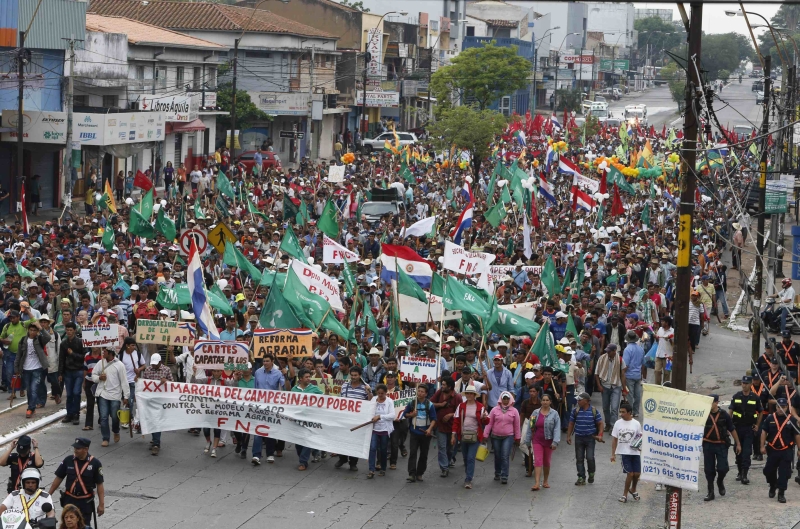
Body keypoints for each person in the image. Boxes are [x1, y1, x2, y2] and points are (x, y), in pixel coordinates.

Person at [49, 437, 104, 523]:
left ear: (86, 449)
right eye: (74, 448)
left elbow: (99, 484)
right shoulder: (68, 460)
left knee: (84, 526)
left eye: (78, 448)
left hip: (85, 502)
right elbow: (58, 478)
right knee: (68, 524)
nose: (75, 450)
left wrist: (101, 504)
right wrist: (48, 495)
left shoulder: (95, 463)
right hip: (69, 500)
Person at [760, 397, 800, 503]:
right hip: (773, 449)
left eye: (783, 407)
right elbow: (764, 432)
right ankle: (773, 485)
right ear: (776, 407)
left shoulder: (792, 420)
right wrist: (762, 446)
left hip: (786, 450)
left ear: (787, 407)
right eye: (779, 407)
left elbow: (797, 435)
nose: (781, 409)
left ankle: (781, 493)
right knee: (768, 470)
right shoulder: (770, 418)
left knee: (784, 473)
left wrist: (799, 449)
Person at [702, 394, 741, 501]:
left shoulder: (724, 415)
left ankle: (720, 481)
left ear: (716, 402)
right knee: (709, 469)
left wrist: (738, 444)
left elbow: (732, 429)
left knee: (723, 468)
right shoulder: (703, 414)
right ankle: (710, 491)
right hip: (708, 444)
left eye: (711, 402)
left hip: (721, 445)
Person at [251, 354, 287, 466]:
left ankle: (270, 454)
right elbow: (255, 388)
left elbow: (285, 388)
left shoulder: (278, 373)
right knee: (258, 430)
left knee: (269, 430)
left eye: (267, 361)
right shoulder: (257, 372)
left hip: (272, 406)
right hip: (260, 405)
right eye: (264, 361)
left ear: (272, 362)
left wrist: (285, 376)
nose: (265, 363)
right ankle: (256, 455)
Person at [90, 348, 130, 447]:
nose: (103, 353)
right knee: (103, 417)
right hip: (103, 394)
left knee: (115, 417)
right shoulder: (100, 363)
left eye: (105, 351)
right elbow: (93, 375)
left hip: (115, 395)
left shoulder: (120, 365)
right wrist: (99, 378)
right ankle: (105, 438)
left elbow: (124, 381)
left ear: (111, 353)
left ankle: (116, 431)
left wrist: (126, 396)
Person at [729, 375, 763, 485]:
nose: (744, 385)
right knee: (738, 451)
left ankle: (744, 474)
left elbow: (761, 411)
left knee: (746, 452)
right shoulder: (736, 396)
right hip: (737, 428)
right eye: (743, 383)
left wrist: (757, 424)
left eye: (746, 383)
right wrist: (729, 426)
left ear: (750, 385)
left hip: (749, 428)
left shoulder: (755, 397)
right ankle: (739, 471)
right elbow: (730, 410)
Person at [451, 385, 487, 489]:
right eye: (467, 393)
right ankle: (468, 473)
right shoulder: (461, 406)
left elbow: (487, 420)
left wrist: (484, 418)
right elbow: (456, 421)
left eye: (471, 393)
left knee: (471, 458)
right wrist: (453, 435)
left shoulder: (480, 407)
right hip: (463, 435)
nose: (469, 395)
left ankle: (468, 479)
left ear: (475, 395)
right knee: (466, 457)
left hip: (475, 436)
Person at [337, 366, 372, 472]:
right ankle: (342, 458)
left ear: (360, 375)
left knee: (355, 441)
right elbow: (340, 400)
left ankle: (353, 463)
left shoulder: (365, 387)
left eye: (355, 375)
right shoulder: (345, 385)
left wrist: (369, 392)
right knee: (342, 439)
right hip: (345, 418)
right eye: (352, 375)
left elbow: (371, 402)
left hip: (357, 420)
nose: (353, 377)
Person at [524, 393, 560, 491]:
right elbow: (530, 427)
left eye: (547, 400)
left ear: (550, 402)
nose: (545, 402)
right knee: (538, 460)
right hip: (537, 440)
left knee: (547, 461)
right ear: (541, 402)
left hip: (548, 441)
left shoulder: (555, 414)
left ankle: (545, 481)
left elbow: (557, 429)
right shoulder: (535, 413)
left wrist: (555, 442)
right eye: (543, 400)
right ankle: (536, 483)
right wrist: (527, 441)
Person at [14, 320, 49, 419]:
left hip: (37, 369)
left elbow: (48, 337)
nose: (32, 332)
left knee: (34, 389)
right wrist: (16, 368)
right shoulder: (23, 340)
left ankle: (30, 408)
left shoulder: (39, 339)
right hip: (26, 369)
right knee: (29, 390)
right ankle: (32, 408)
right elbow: (18, 355)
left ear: (37, 331)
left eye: (34, 330)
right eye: (31, 330)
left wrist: (41, 328)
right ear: (28, 330)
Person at [566, 392, 604, 486]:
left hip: (590, 438)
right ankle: (581, 477)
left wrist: (600, 435)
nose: (578, 401)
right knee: (579, 458)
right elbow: (571, 423)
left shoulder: (594, 411)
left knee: (590, 457)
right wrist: (568, 436)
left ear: (586, 401)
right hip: (579, 437)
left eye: (580, 400)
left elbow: (600, 424)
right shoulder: (575, 411)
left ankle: (591, 473)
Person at [483, 391, 520, 484]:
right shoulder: (494, 410)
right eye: (504, 398)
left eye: (507, 398)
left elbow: (517, 425)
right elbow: (489, 423)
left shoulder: (514, 411)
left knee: (504, 455)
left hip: (508, 436)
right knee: (497, 455)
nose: (506, 400)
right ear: (501, 399)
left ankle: (504, 475)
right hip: (495, 436)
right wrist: (485, 435)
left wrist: (517, 437)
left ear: (510, 399)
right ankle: (497, 472)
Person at [140, 353, 173, 456]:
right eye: (152, 364)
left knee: (157, 420)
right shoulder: (148, 370)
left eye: (155, 364)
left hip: (161, 400)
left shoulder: (166, 370)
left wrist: (166, 381)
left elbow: (173, 384)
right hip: (150, 399)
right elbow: (144, 383)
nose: (153, 366)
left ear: (160, 362)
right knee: (152, 419)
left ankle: (156, 444)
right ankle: (155, 439)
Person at [291, 368, 324, 471]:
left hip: (310, 420)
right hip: (296, 420)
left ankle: (303, 462)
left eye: (309, 376)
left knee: (307, 440)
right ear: (300, 379)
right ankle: (315, 452)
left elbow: (325, 400)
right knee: (298, 442)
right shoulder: (294, 390)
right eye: (306, 377)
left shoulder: (315, 389)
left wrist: (327, 391)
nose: (309, 378)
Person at [403, 385, 437, 483]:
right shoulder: (412, 403)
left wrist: (430, 429)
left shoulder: (430, 405)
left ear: (426, 394)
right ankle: (412, 474)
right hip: (414, 432)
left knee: (424, 454)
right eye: (419, 391)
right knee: (413, 453)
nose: (420, 393)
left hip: (425, 433)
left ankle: (420, 473)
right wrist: (411, 415)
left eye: (422, 392)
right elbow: (404, 414)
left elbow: (434, 419)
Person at [610, 401, 643, 503]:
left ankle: (633, 489)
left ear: (629, 412)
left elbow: (639, 436)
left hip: (635, 452)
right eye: (620, 412)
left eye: (623, 412)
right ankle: (624, 494)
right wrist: (613, 454)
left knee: (637, 474)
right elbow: (614, 439)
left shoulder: (636, 423)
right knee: (630, 474)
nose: (621, 414)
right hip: (624, 452)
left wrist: (640, 447)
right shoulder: (618, 423)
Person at [431, 377, 460, 477]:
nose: (442, 386)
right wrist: (440, 404)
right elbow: (430, 404)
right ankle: (444, 467)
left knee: (450, 448)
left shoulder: (457, 397)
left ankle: (447, 462)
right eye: (442, 384)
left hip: (452, 427)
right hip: (440, 425)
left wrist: (450, 415)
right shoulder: (439, 393)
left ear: (450, 387)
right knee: (442, 447)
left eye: (444, 385)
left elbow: (460, 411)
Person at [595, 344, 627, 430]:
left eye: (609, 351)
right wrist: (599, 385)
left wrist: (624, 389)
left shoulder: (620, 360)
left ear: (614, 351)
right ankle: (608, 424)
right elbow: (596, 373)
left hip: (616, 386)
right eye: (607, 351)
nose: (607, 352)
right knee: (605, 407)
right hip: (605, 386)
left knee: (614, 408)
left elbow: (623, 375)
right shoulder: (602, 358)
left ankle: (613, 426)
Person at [59, 322, 85, 425]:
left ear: (74, 330)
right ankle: (69, 414)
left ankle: (76, 414)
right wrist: (60, 373)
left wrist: (72, 354)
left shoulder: (80, 342)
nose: (69, 332)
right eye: (67, 330)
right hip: (68, 372)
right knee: (69, 394)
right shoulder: (64, 343)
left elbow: (84, 357)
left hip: (78, 370)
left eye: (71, 330)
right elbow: (61, 359)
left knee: (76, 393)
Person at [368, 383, 395, 479]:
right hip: (374, 429)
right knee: (372, 448)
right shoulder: (373, 400)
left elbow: (392, 415)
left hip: (384, 429)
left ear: (385, 393)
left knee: (383, 450)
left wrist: (380, 416)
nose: (380, 395)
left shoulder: (389, 402)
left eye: (382, 393)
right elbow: (369, 411)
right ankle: (371, 469)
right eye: (378, 393)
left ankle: (383, 468)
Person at [622, 330, 645, 416]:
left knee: (630, 395)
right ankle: (636, 411)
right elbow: (643, 364)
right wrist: (641, 374)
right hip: (638, 375)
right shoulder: (641, 349)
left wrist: (622, 375)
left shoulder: (627, 349)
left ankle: (629, 411)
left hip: (629, 375)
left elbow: (625, 364)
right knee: (637, 394)